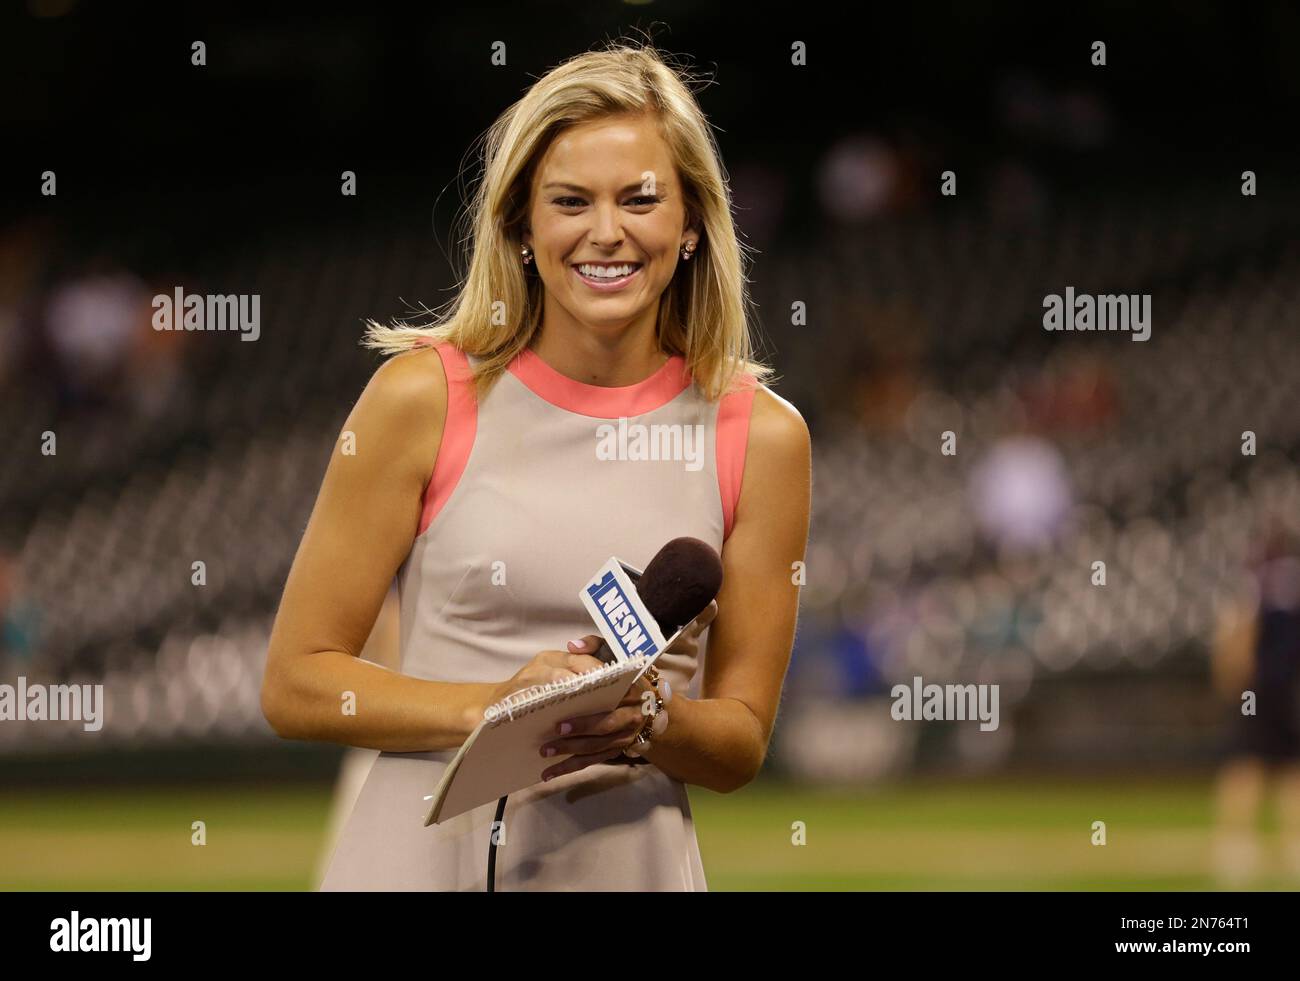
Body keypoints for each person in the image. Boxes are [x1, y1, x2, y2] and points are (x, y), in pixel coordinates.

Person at [261, 41, 811, 891]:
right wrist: (498, 708)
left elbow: (740, 741)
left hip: (633, 863)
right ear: (521, 226)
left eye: (640, 199)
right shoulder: (421, 396)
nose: (606, 231)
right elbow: (296, 682)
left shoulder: (762, 434)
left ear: (693, 223)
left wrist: (645, 721)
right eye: (570, 201)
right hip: (413, 861)